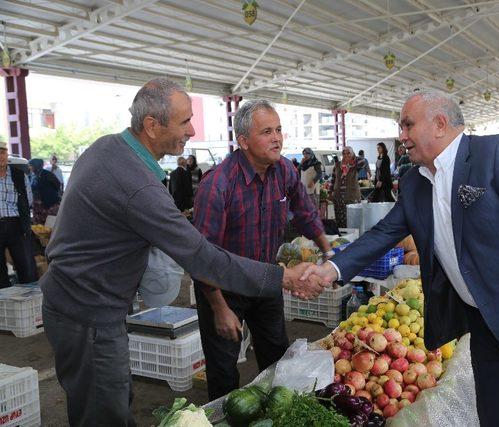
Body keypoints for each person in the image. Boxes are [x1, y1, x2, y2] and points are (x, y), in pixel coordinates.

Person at [302, 89, 499, 427]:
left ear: (440, 123)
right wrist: (330, 270)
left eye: (408, 125)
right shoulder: (415, 184)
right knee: (498, 420)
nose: (402, 136)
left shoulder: (498, 153)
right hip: (486, 328)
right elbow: (382, 234)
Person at [40, 79, 326, 426]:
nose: (192, 130)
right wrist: (282, 276)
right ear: (151, 125)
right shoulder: (141, 185)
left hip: (81, 303)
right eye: (184, 121)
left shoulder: (109, 148)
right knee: (105, 411)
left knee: (105, 401)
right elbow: (201, 256)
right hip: (88, 312)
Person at [192, 100, 332, 401]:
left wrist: (328, 252)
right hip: (224, 288)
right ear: (243, 141)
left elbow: (305, 211)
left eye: (279, 129)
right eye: (267, 131)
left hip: (267, 280)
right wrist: (219, 308)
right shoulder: (217, 185)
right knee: (224, 370)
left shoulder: (283, 170)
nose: (277, 138)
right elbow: (202, 258)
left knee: (277, 360)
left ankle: (275, 416)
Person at [0, 139, 36, 288]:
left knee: (26, 266)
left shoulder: (19, 175)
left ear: (7, 154)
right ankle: (3, 305)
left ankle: (30, 300)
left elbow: (28, 200)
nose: (0, 156)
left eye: (2, 152)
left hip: (15, 224)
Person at [331, 146, 361, 228]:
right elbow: (333, 179)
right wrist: (330, 192)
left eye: (348, 153)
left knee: (352, 220)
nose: (346, 155)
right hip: (338, 197)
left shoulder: (355, 165)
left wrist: (352, 158)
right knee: (339, 220)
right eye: (344, 153)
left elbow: (363, 161)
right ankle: (342, 237)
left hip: (351, 197)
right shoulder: (337, 165)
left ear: (352, 154)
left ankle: (353, 238)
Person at [28, 158, 61, 225]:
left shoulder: (47, 174)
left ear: (35, 166)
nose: (29, 167)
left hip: (49, 204)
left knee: (49, 225)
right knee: (38, 226)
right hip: (37, 204)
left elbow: (57, 184)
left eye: (30, 165)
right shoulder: (32, 175)